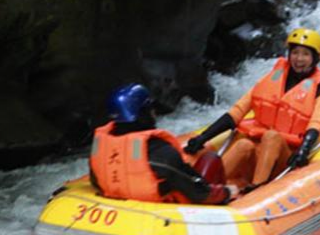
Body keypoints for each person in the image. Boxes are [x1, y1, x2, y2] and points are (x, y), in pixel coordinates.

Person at [184, 28, 320, 190]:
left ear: (315, 58)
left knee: (272, 136)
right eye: (295, 53)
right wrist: (203, 138)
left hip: (284, 160)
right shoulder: (271, 79)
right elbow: (236, 113)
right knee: (243, 145)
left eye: (305, 54)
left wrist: (303, 151)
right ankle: (205, 188)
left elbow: (315, 125)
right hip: (257, 153)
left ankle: (258, 187)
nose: (299, 59)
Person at [89, 84, 237, 204]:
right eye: (150, 109)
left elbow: (95, 180)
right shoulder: (160, 152)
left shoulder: (100, 146)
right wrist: (226, 193)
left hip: (117, 205)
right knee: (210, 160)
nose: (154, 113)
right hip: (163, 212)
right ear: (143, 113)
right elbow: (199, 194)